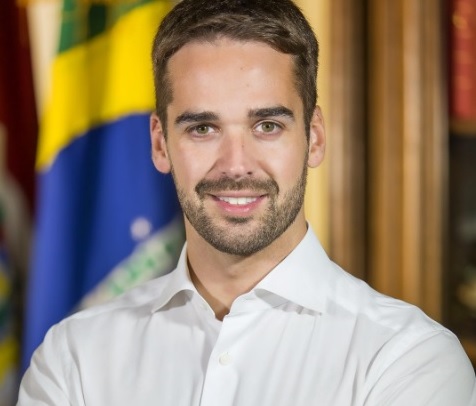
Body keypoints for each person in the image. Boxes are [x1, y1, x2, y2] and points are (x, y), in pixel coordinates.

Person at [18, 0, 476, 404]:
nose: (236, 165)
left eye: (267, 126)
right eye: (203, 128)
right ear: (159, 143)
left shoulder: (405, 359)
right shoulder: (74, 357)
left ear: (314, 137)